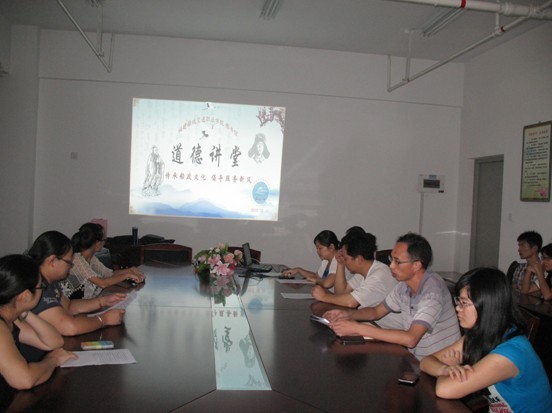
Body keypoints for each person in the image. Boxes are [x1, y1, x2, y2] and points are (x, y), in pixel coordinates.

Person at [420, 267, 552, 412]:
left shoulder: (510, 353)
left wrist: (450, 366)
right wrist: (444, 369)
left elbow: (444, 389)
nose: (457, 308)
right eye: (458, 301)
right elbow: (426, 361)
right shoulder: (482, 335)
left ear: (487, 306)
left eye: (464, 303)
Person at [323, 232, 460, 360]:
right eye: (391, 259)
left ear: (416, 265)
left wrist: (357, 329)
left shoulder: (432, 292)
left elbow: (411, 339)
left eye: (397, 262)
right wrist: (347, 315)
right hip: (417, 360)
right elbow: (376, 312)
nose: (391, 266)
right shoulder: (404, 286)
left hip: (442, 366)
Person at [0, 255, 76, 400]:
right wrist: (53, 360)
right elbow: (24, 379)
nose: (42, 290)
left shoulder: (10, 316)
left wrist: (22, 309)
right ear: (25, 295)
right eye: (41, 287)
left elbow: (54, 342)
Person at [27, 231, 127, 336]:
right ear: (52, 261)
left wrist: (103, 301)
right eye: (69, 262)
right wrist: (104, 319)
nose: (71, 266)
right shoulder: (37, 286)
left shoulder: (50, 281)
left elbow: (69, 306)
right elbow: (69, 327)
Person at [313, 231, 403, 330]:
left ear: (359, 259)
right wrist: (340, 264)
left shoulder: (379, 275)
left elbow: (351, 302)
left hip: (391, 330)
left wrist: (324, 297)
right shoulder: (363, 271)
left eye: (346, 259)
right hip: (374, 324)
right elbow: (340, 293)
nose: (344, 261)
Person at [61, 223, 145, 299]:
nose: (104, 243)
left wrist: (130, 270)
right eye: (104, 240)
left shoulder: (92, 259)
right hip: (71, 305)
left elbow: (109, 274)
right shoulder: (77, 259)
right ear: (97, 243)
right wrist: (128, 275)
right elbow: (102, 283)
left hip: (87, 300)